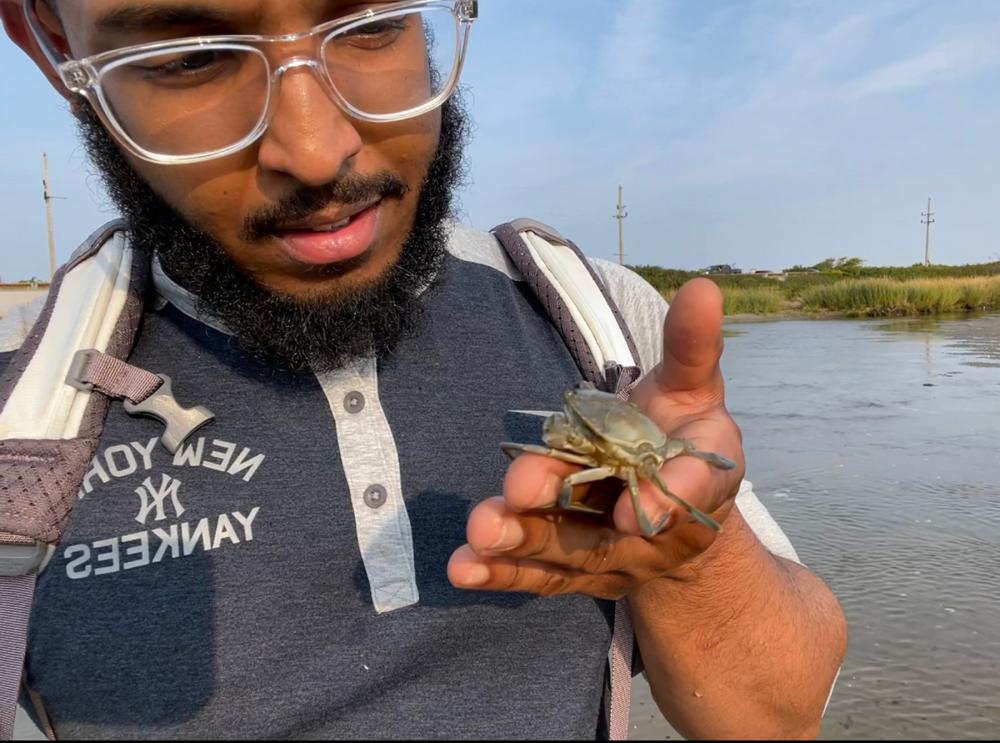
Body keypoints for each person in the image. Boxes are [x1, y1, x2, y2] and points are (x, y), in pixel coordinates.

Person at [0, 1, 847, 739]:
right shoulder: (20, 411)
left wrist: (693, 560)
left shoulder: (599, 326)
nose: (317, 148)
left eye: (370, 23)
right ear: (46, 39)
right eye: (188, 57)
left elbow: (781, 721)